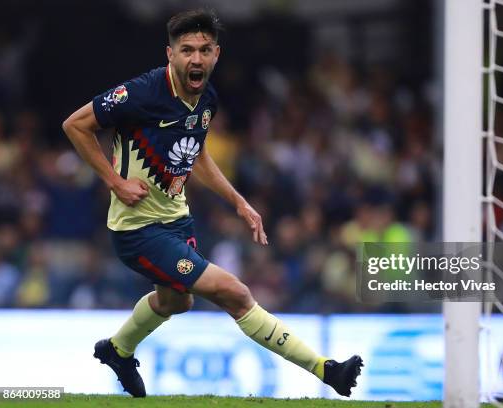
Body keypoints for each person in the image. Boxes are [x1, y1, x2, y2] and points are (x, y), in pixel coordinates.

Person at [62, 9, 362, 398]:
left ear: (216, 54)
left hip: (176, 222)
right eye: (186, 49)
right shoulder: (142, 92)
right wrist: (115, 182)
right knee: (234, 292)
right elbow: (75, 125)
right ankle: (327, 370)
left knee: (176, 301)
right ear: (169, 54)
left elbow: (196, 153)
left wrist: (238, 201)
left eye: (204, 50)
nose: (196, 58)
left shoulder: (207, 100)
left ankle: (118, 351)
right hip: (138, 230)